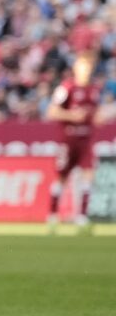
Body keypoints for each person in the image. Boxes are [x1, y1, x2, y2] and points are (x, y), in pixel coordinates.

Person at [46, 51, 108, 231]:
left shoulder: (94, 90)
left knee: (89, 175)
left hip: (86, 140)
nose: (85, 70)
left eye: (88, 67)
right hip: (68, 139)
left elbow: (97, 113)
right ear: (76, 68)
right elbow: (52, 111)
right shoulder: (67, 88)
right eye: (82, 66)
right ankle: (52, 216)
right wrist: (71, 115)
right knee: (62, 177)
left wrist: (99, 117)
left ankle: (82, 217)